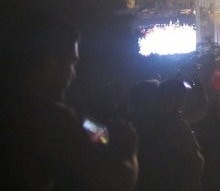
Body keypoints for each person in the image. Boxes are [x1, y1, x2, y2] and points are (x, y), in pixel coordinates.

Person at [0, 16, 139, 190]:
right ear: (49, 64)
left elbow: (91, 129)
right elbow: (115, 182)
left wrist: (102, 133)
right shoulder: (49, 118)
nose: (73, 74)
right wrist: (128, 150)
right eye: (72, 63)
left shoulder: (13, 106)